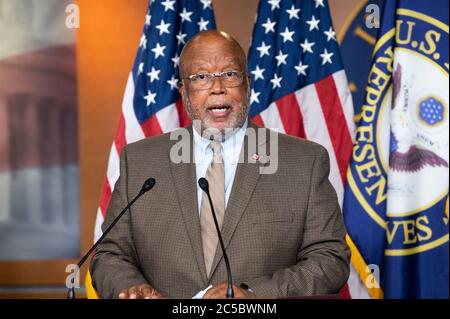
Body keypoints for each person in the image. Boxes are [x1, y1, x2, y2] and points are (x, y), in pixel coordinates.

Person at [90, 30, 350, 299]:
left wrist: (255, 294)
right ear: (184, 91)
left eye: (229, 74)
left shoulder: (303, 162)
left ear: (247, 84)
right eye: (201, 77)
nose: (217, 87)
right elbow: (110, 253)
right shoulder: (141, 161)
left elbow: (330, 259)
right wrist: (131, 288)